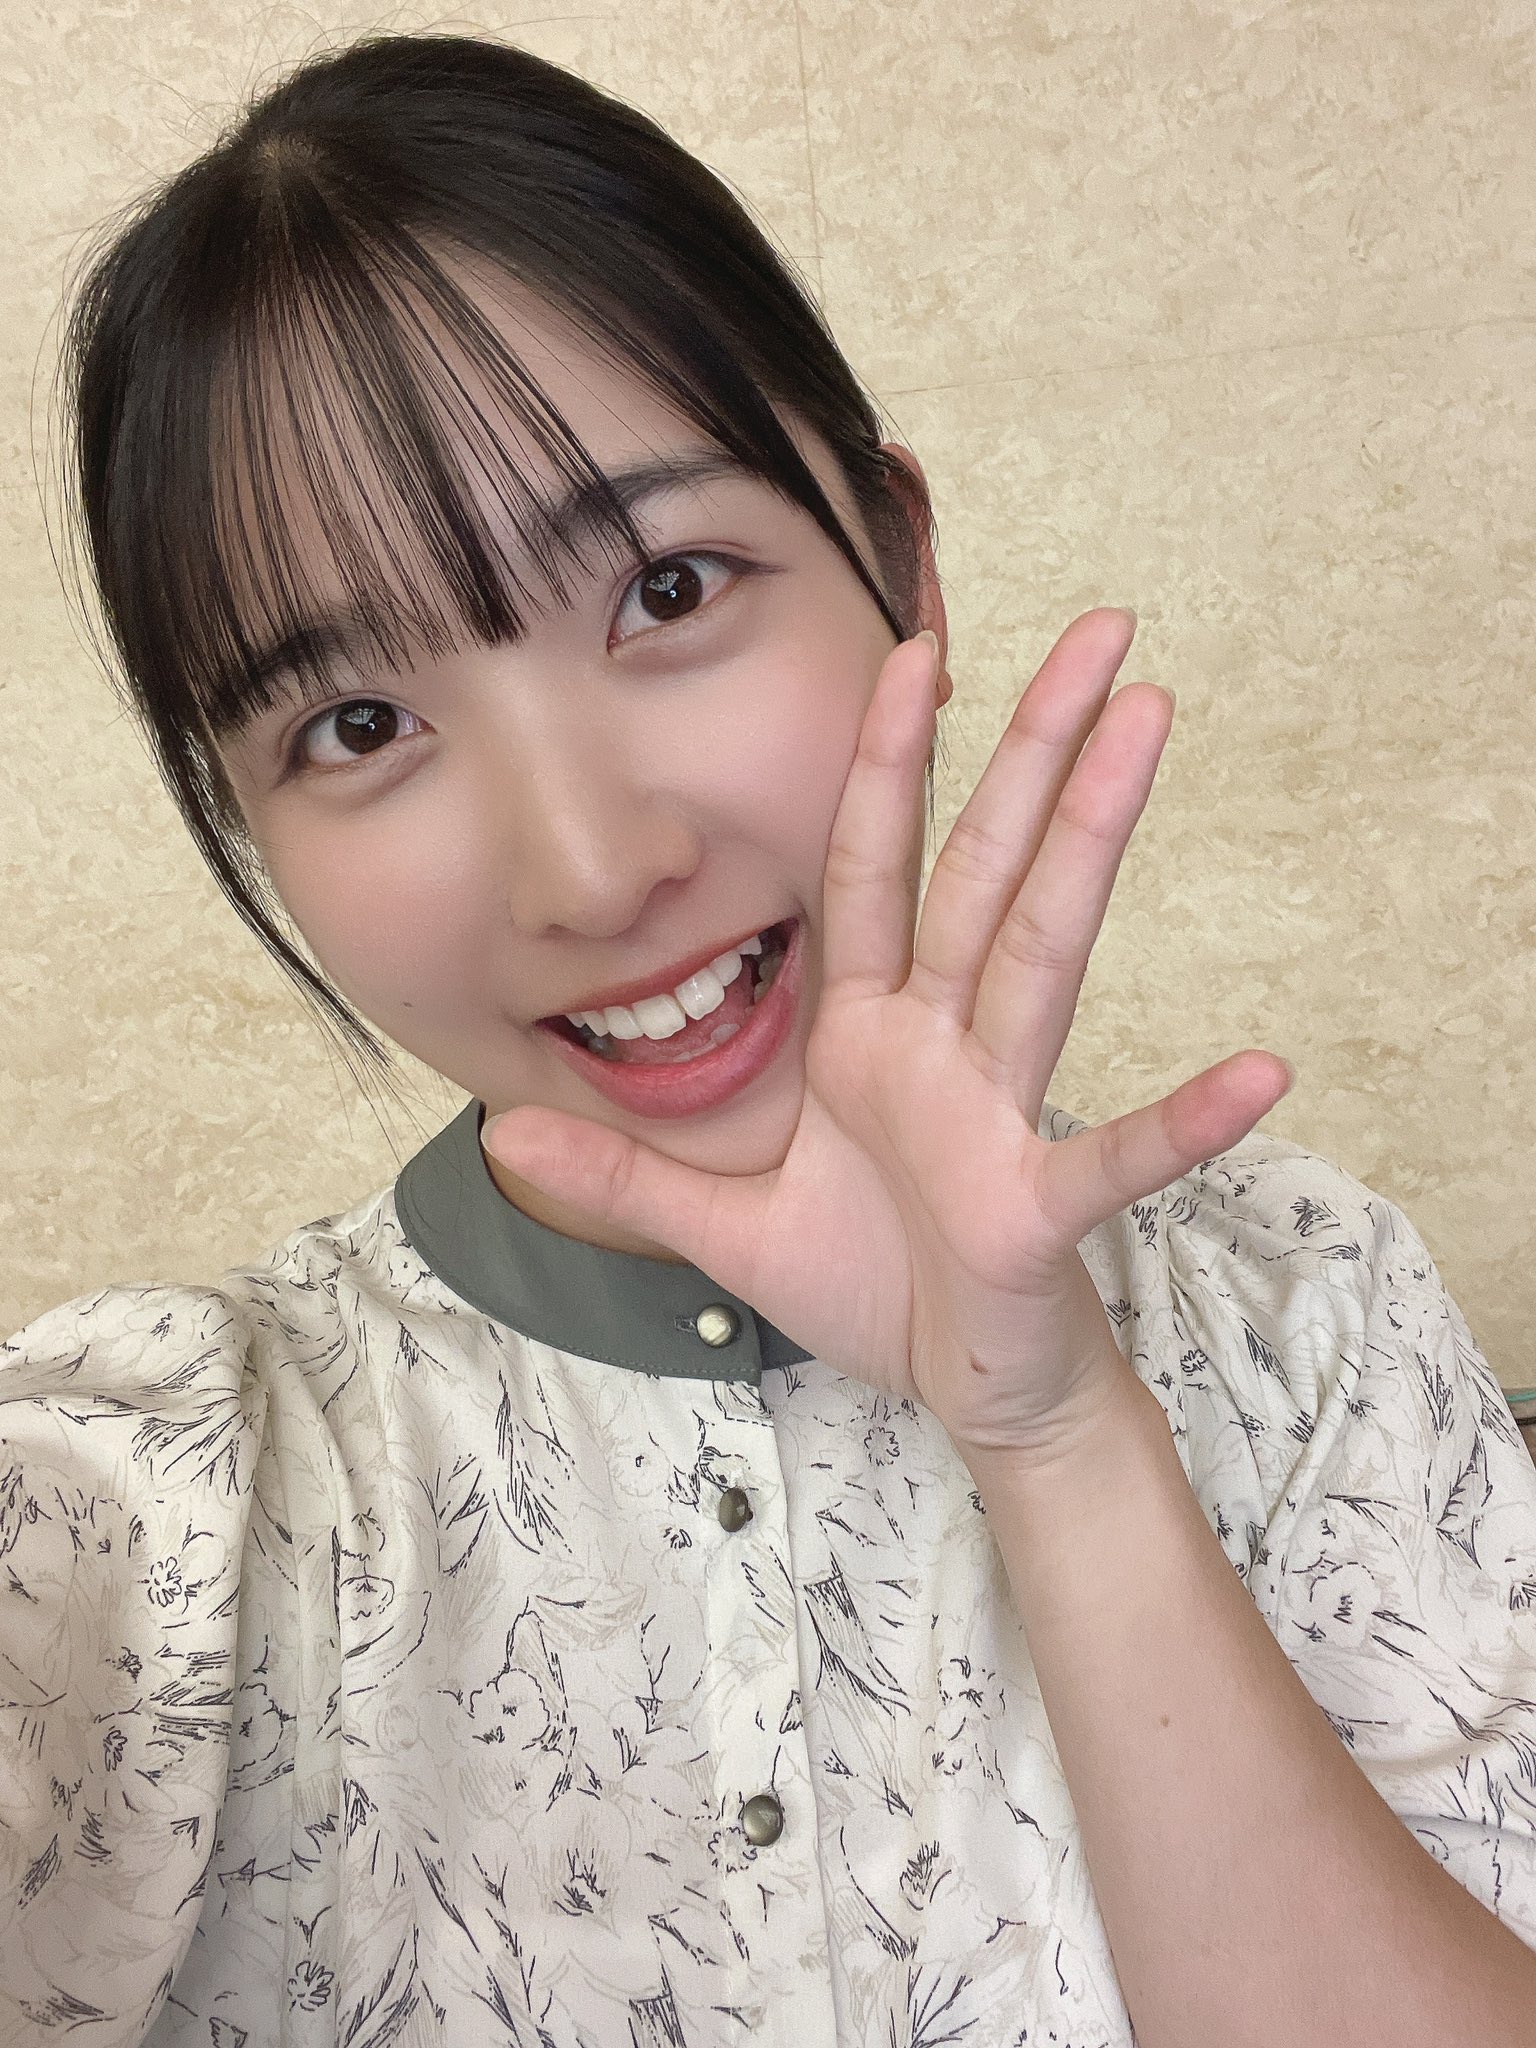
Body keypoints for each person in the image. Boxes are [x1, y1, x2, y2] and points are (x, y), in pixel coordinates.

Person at [2, 30, 1534, 2048]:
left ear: (899, 559)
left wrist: (1057, 1431)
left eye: (666, 587)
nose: (591, 868)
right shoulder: (162, 1502)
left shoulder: (1306, 1321)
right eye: (357, 724)